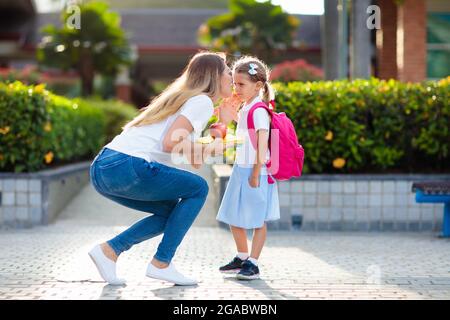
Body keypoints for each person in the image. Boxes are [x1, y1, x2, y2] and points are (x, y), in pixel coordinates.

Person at [89, 51, 232, 286]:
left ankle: (109, 251)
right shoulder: (202, 102)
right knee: (199, 188)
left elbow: (195, 160)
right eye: (227, 71)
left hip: (104, 168)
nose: (231, 77)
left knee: (171, 212)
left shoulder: (189, 100)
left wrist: (223, 124)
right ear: (214, 76)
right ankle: (161, 263)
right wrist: (213, 144)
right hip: (127, 165)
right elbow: (170, 142)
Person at [216, 56, 280, 280]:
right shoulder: (246, 108)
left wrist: (255, 173)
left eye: (241, 84)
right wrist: (229, 118)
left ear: (258, 85)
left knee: (257, 219)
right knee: (234, 215)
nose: (236, 88)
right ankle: (242, 256)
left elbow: (262, 144)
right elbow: (244, 138)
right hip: (241, 169)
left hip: (256, 171)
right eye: (234, 83)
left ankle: (253, 263)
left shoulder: (259, 110)